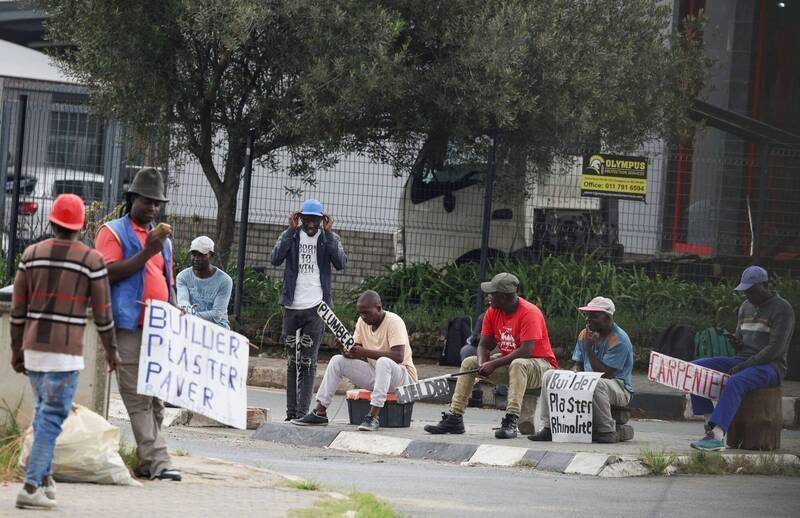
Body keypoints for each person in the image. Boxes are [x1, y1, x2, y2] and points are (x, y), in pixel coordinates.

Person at [10, 194, 121, 510]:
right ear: (82, 225)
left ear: (51, 221)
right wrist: (112, 351)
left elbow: (18, 311)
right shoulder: (91, 260)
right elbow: (103, 312)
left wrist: (16, 350)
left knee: (45, 412)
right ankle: (31, 487)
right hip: (65, 354)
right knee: (52, 416)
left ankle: (45, 481)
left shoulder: (31, 255)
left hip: (33, 350)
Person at [94, 167, 181, 481]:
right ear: (132, 199)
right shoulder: (114, 232)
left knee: (156, 401)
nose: (153, 208)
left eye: (158, 203)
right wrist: (146, 252)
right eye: (147, 201)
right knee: (137, 398)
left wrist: (175, 309)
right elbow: (107, 273)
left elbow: (167, 281)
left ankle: (145, 464)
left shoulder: (162, 240)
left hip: (158, 330)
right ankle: (161, 462)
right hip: (128, 327)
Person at [425, 272, 558, 439]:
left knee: (519, 363)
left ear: (503, 297)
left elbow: (526, 351)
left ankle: (511, 420)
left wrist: (493, 364)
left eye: (492, 294)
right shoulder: (492, 312)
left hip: (542, 367)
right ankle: (455, 417)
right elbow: (484, 344)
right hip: (514, 364)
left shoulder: (530, 313)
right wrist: (482, 363)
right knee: (469, 362)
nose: (488, 297)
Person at [689, 266, 795, 451]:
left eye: (752, 290)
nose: (748, 295)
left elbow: (775, 349)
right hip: (743, 359)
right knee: (694, 369)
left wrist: (745, 365)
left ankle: (717, 436)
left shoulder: (782, 309)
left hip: (770, 367)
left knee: (736, 382)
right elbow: (741, 341)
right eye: (745, 290)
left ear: (765, 285)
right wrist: (736, 342)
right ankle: (709, 425)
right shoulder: (745, 306)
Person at [292, 290, 417, 431]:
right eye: (360, 313)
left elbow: (398, 356)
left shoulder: (394, 321)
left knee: (383, 362)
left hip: (404, 380)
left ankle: (373, 417)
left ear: (378, 308)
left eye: (367, 313)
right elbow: (358, 353)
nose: (363, 317)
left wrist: (363, 351)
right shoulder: (362, 322)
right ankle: (320, 412)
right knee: (337, 361)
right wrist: (344, 350)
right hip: (378, 375)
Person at [270, 199, 346, 421]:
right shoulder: (292, 236)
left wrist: (330, 235)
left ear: (322, 220)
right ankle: (290, 414)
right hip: (291, 308)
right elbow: (275, 259)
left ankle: (302, 413)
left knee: (309, 362)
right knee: (292, 362)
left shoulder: (328, 238)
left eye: (316, 220)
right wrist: (289, 230)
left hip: (316, 309)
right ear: (300, 219)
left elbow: (341, 263)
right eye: (307, 219)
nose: (311, 224)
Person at [529, 296, 634, 444]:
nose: (589, 319)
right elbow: (578, 362)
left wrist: (589, 347)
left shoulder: (617, 339)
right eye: (587, 314)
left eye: (594, 315)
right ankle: (548, 427)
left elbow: (605, 374)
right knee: (549, 376)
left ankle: (607, 430)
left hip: (617, 386)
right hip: (586, 379)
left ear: (607, 317)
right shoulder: (585, 334)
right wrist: (575, 371)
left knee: (596, 384)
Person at [176, 236, 232, 328]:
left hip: (217, 329)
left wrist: (191, 315)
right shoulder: (183, 277)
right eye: (194, 254)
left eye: (201, 255)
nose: (196, 258)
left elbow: (216, 315)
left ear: (211, 255)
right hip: (192, 326)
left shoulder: (225, 281)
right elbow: (183, 302)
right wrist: (187, 312)